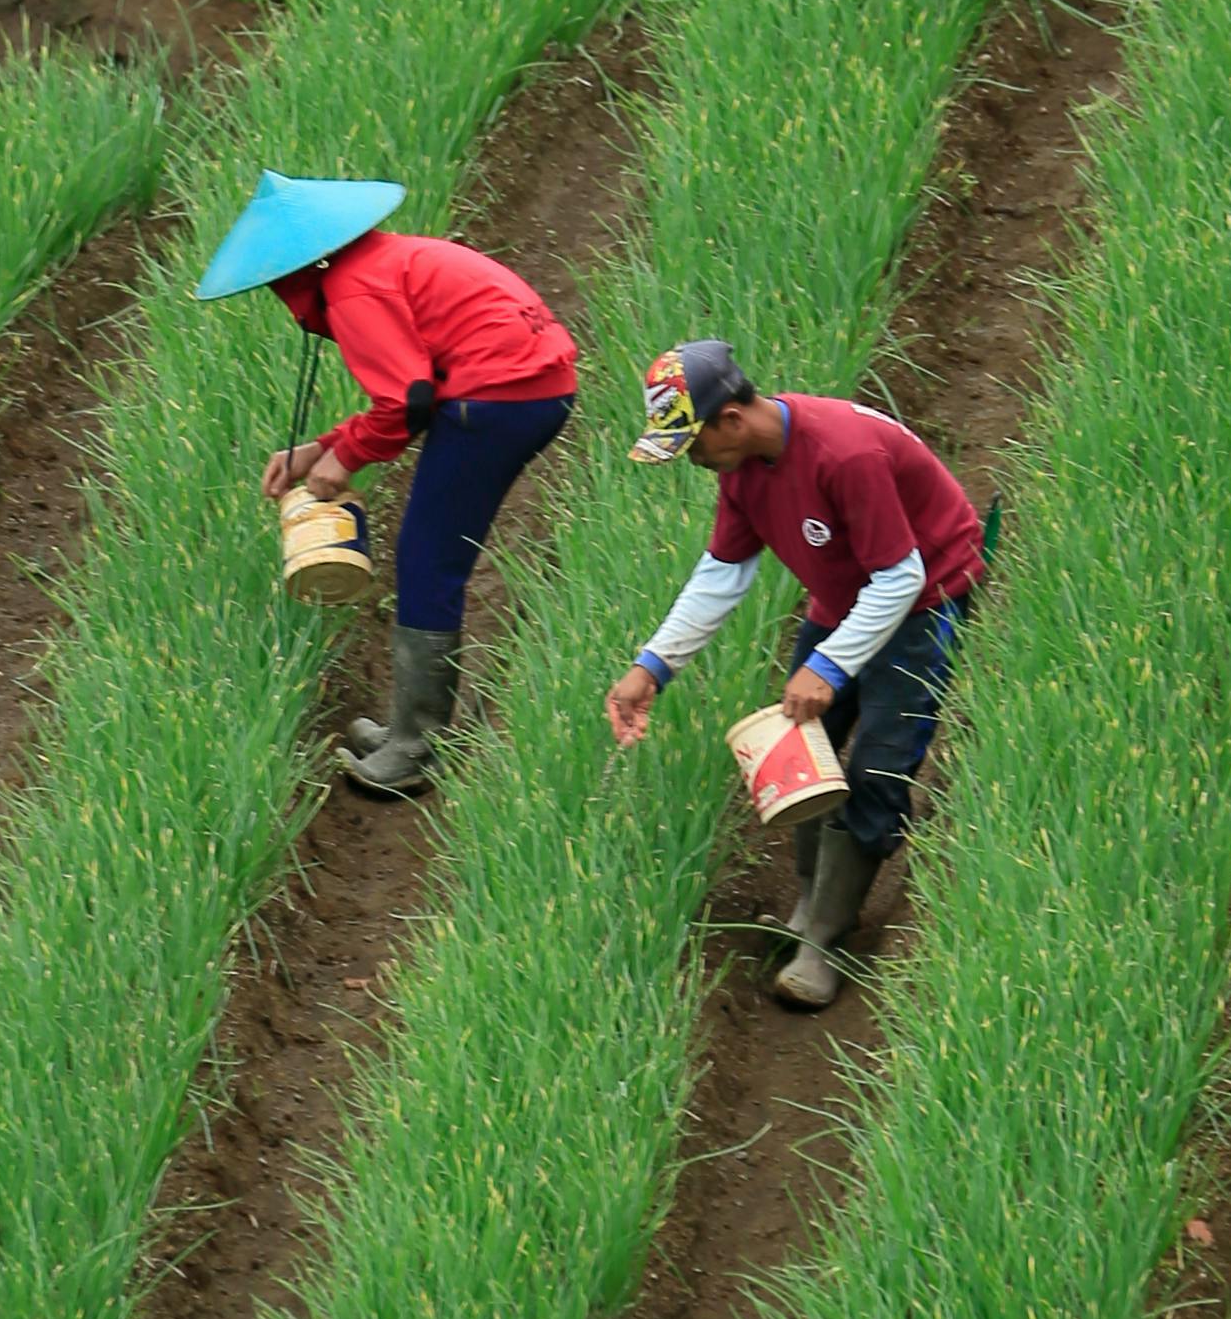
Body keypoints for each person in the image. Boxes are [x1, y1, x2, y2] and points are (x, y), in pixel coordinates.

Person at [604, 337, 985, 1008]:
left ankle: (827, 940)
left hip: (925, 603)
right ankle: (810, 905)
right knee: (805, 751)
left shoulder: (843, 452)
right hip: (842, 600)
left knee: (878, 768)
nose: (693, 459)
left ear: (730, 419)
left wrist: (828, 666)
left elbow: (900, 578)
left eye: (692, 443)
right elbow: (721, 575)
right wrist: (652, 667)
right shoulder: (743, 469)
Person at [198, 169, 578, 795]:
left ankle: (415, 747)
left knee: (429, 559)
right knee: (433, 552)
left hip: (499, 400)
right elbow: (418, 384)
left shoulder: (353, 289)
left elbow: (408, 401)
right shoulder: (385, 259)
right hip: (532, 389)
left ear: (301, 267)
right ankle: (412, 729)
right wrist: (323, 446)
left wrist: (344, 460)